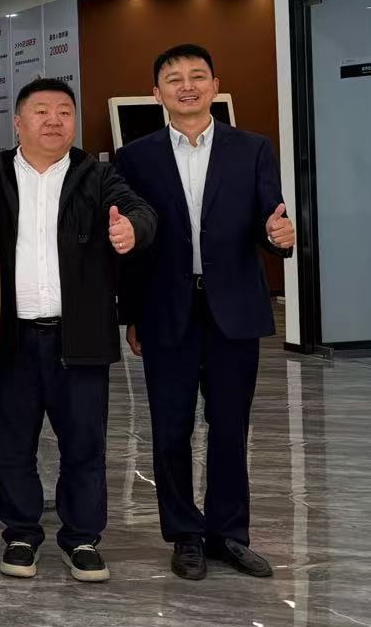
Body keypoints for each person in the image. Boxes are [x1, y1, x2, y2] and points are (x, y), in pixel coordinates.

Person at [115, 44, 294, 581]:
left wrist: (279, 237)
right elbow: (131, 244)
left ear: (215, 85)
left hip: (232, 308)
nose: (187, 86)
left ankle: (229, 534)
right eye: (174, 79)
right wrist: (132, 314)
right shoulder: (135, 157)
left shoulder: (252, 148)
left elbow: (271, 220)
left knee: (230, 426)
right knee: (170, 428)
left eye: (197, 76)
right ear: (157, 93)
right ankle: (184, 535)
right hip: (165, 309)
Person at [0, 78, 156, 584]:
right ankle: (21, 534)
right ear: (17, 122)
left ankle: (82, 538)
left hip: (80, 339)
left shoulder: (98, 175)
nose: (53, 120)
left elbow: (142, 213)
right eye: (41, 111)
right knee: (11, 447)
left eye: (64, 112)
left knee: (84, 446)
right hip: (10, 339)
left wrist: (132, 229)